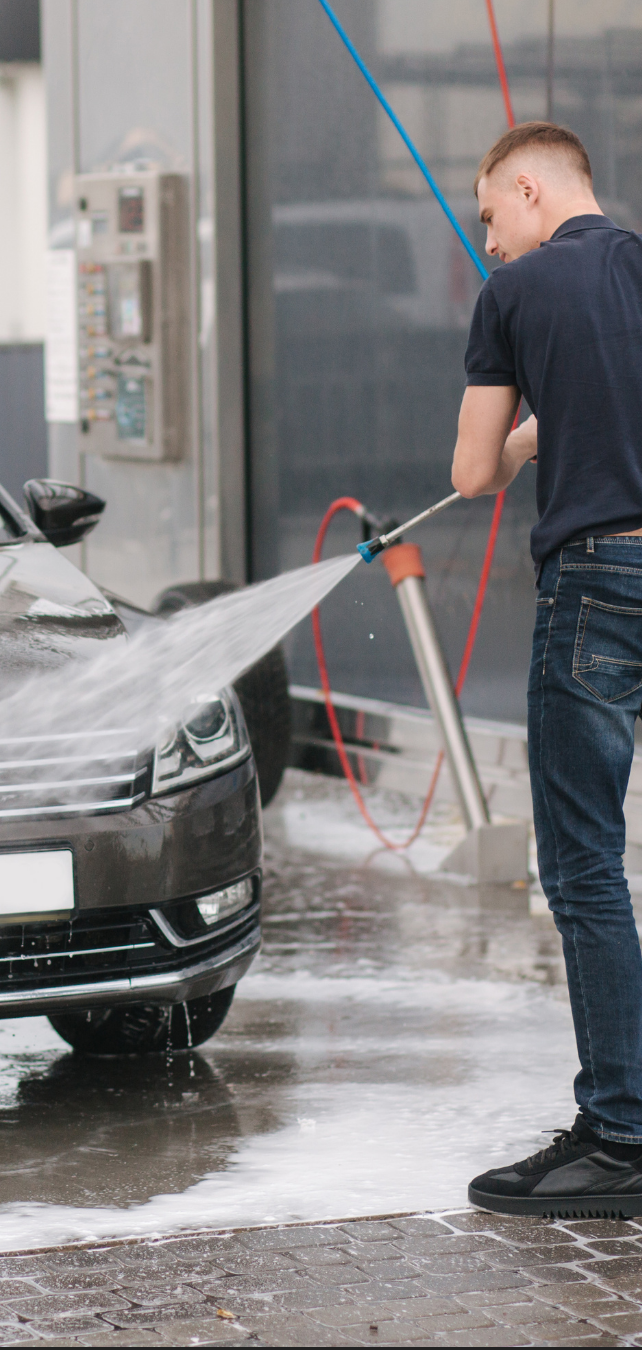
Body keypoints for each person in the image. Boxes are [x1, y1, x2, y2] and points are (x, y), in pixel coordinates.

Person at [452, 121, 642, 1216]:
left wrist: (523, 433)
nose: (489, 244)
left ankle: (621, 1134)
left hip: (600, 588)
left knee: (585, 868)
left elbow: (471, 470)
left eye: (489, 217)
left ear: (530, 187)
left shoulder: (516, 298)